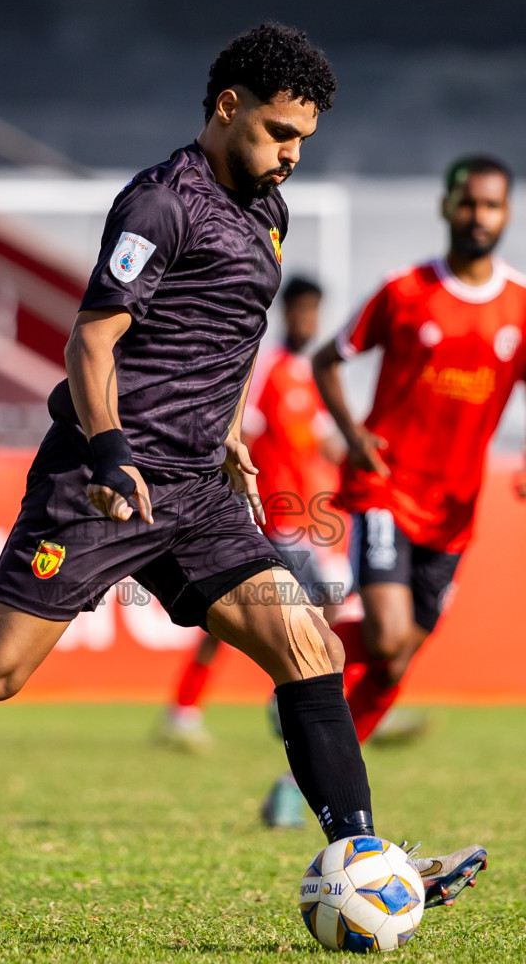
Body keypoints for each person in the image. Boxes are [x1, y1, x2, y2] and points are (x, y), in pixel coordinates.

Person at [0, 23, 487, 909]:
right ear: (227, 109)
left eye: (304, 139)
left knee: (305, 643)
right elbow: (93, 341)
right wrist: (111, 453)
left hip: (193, 489)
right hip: (101, 482)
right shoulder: (160, 203)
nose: (292, 155)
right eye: (278, 133)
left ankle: (365, 856)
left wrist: (228, 431)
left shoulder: (269, 211)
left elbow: (232, 332)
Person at [307, 153, 526, 772]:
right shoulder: (404, 291)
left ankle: (311, 768)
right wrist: (354, 435)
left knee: (396, 660)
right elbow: (326, 361)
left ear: (507, 213)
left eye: (492, 205)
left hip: (455, 509)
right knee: (389, 637)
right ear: (446, 207)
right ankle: (297, 667)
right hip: (387, 488)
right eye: (469, 202)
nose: (480, 215)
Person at [157, 276, 347, 754]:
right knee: (308, 608)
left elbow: (325, 441)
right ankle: (303, 704)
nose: (308, 321)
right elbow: (239, 432)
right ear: (287, 313)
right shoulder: (269, 370)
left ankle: (191, 707)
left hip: (306, 519)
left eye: (314, 313)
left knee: (248, 617)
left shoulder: (309, 374)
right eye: (301, 312)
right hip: (271, 514)